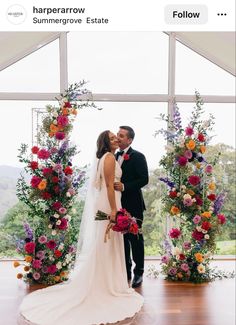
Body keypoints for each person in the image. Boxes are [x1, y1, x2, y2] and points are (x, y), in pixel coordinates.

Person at [18, 130, 143, 325]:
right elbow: (109, 186)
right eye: (112, 138)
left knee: (108, 243)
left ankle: (111, 280)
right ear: (105, 143)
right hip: (110, 203)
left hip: (111, 201)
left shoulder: (106, 157)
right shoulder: (109, 157)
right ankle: (105, 284)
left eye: (117, 137)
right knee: (107, 243)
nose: (116, 139)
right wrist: (113, 210)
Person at [115, 126, 148, 288]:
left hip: (134, 206)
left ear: (129, 140)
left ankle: (138, 273)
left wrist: (125, 187)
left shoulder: (138, 156)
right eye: (117, 135)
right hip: (117, 205)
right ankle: (126, 272)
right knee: (122, 240)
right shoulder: (113, 156)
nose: (118, 137)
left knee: (135, 240)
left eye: (121, 136)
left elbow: (144, 179)